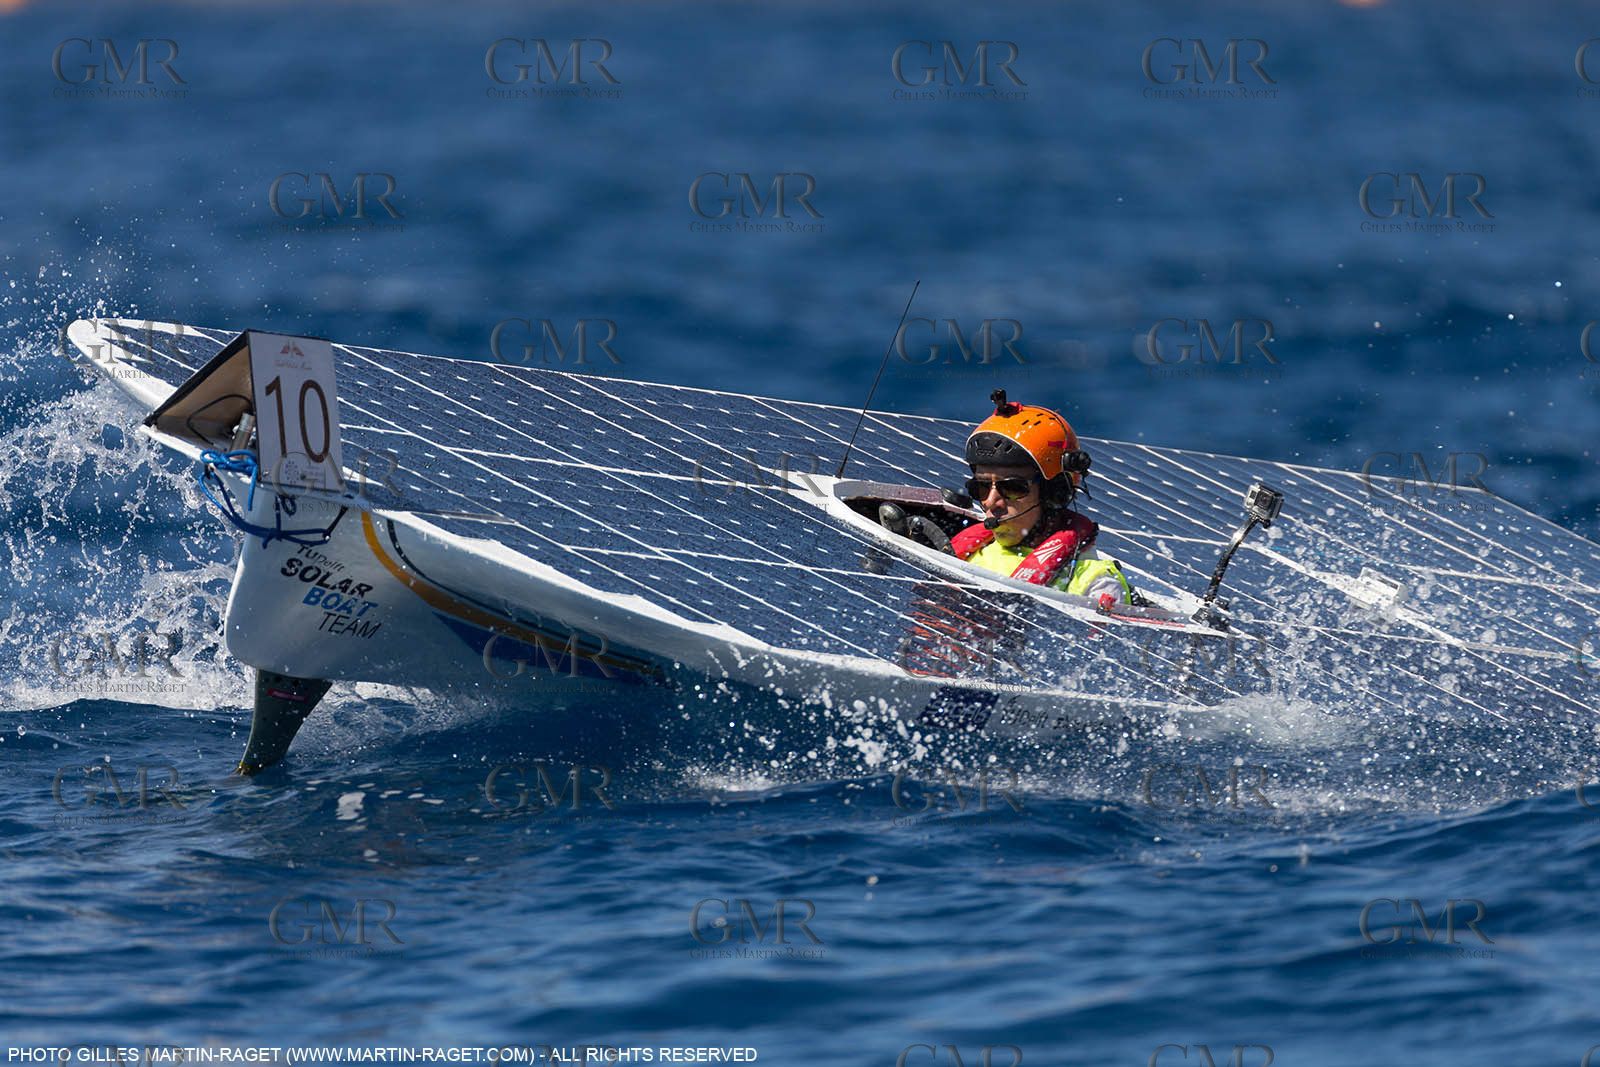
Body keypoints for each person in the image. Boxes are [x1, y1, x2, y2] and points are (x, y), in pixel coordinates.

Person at [952, 390, 1133, 608]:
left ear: (1053, 493)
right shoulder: (960, 554)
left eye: (1011, 487)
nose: (991, 501)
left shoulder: (1093, 584)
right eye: (980, 487)